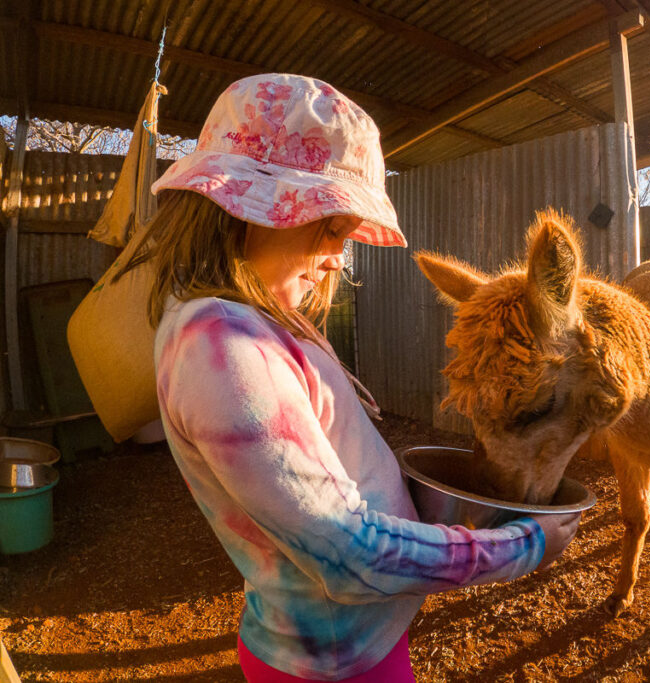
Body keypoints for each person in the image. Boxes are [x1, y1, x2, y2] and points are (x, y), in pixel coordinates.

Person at [128, 73, 580, 682]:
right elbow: (347, 555)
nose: (339, 258)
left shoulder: (257, 318)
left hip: (353, 641)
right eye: (333, 229)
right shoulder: (224, 347)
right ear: (254, 207)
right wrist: (524, 546)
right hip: (335, 664)